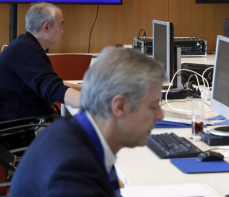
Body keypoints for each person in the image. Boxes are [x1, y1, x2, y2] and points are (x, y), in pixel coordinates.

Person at [9, 47, 166, 197]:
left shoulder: (71, 133)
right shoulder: (73, 173)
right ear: (119, 106)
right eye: (153, 106)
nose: (161, 116)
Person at [0, 2, 81, 122]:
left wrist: (85, 88)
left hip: (15, 123)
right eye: (60, 26)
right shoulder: (28, 51)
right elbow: (55, 90)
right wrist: (100, 102)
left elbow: (52, 83)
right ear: (46, 27)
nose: (62, 31)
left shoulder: (24, 46)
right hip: (24, 130)